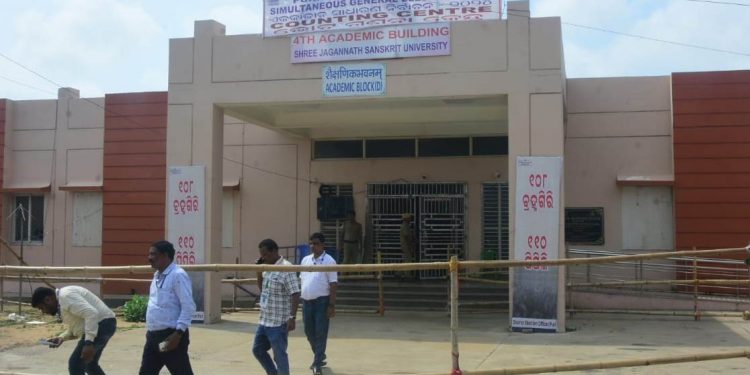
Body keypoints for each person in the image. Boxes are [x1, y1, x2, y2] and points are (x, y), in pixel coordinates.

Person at [139, 240, 196, 375]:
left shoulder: (177, 275)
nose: (150, 258)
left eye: (154, 254)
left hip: (170, 337)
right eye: (149, 254)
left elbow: (188, 306)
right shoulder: (157, 275)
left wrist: (178, 334)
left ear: (165, 256)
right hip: (153, 338)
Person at [32, 286, 117, 375]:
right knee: (89, 364)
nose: (43, 312)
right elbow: (77, 326)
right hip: (105, 324)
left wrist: (88, 343)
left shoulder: (65, 296)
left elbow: (91, 313)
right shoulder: (63, 301)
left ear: (48, 300)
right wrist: (61, 337)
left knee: (75, 365)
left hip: (102, 324)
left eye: (41, 308)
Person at [253, 238, 301, 375]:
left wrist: (292, 317)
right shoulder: (266, 266)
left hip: (278, 322)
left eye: (265, 254)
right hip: (264, 320)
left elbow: (295, 293)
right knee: (258, 350)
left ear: (274, 251)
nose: (263, 257)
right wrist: (258, 271)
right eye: (261, 255)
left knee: (279, 356)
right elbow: (263, 289)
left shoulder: (286, 268)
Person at [300, 232, 338, 375]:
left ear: (323, 245)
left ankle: (317, 363)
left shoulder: (330, 261)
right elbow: (302, 280)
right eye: (311, 243)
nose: (312, 246)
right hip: (306, 301)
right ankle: (320, 355)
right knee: (309, 331)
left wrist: (331, 304)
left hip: (322, 301)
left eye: (315, 243)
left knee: (320, 332)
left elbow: (333, 284)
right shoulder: (305, 260)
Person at [400, 213, 416, 278]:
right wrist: (410, 245)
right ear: (406, 219)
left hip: (405, 245)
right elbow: (406, 236)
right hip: (406, 245)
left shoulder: (406, 225)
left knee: (406, 259)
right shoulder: (405, 226)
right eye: (409, 218)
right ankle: (407, 275)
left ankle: (401, 273)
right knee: (408, 260)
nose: (410, 219)